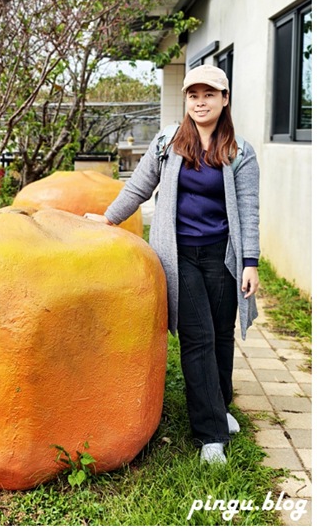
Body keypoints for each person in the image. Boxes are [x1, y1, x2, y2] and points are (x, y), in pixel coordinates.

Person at [85, 65, 260, 466]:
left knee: (221, 336)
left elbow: (249, 210)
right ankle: (210, 435)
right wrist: (110, 218)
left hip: (223, 255)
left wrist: (250, 262)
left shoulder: (240, 152)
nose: (201, 102)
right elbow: (139, 186)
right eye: (193, 95)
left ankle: (219, 405)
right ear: (187, 100)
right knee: (197, 338)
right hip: (179, 254)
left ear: (225, 99)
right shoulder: (168, 142)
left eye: (209, 95)